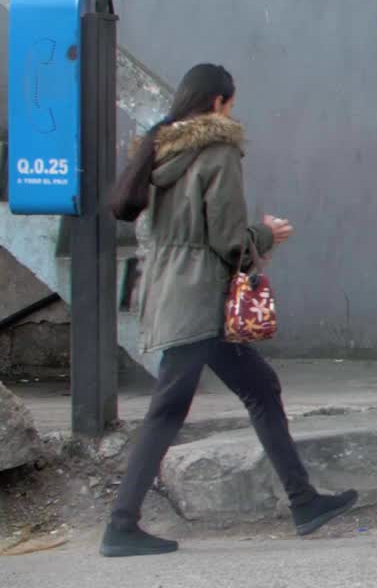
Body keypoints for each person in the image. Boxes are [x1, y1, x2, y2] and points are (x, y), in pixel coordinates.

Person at [100, 64, 357, 558]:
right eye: (232, 103)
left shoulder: (158, 150)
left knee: (261, 388)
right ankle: (120, 525)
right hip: (198, 298)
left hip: (172, 292)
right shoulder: (218, 152)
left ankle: (305, 502)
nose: (233, 111)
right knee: (167, 409)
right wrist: (267, 235)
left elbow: (163, 232)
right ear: (219, 103)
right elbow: (227, 240)